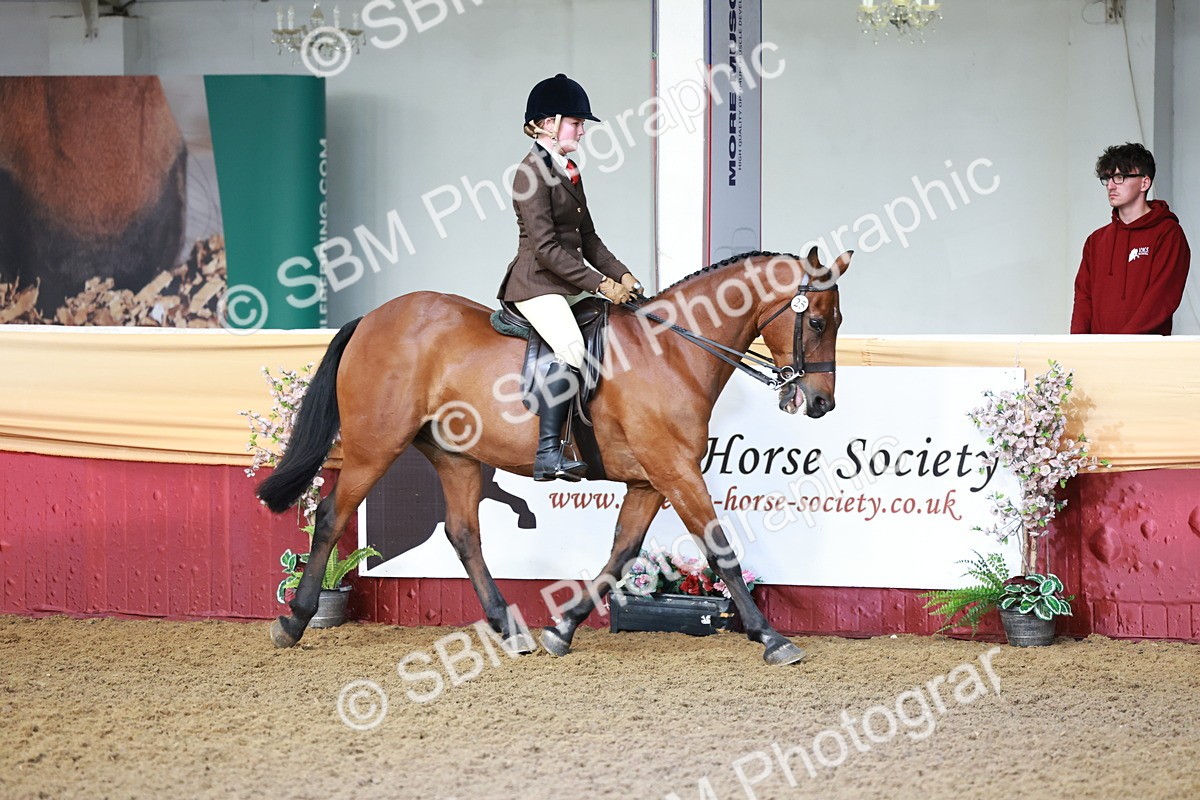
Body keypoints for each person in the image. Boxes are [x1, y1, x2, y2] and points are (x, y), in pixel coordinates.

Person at [497, 74, 642, 481]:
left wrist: (624, 275)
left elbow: (589, 238)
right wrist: (599, 284)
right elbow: (546, 247)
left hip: (568, 283)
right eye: (575, 122)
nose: (581, 129)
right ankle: (548, 452)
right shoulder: (530, 173)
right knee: (572, 349)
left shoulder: (569, 169)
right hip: (537, 283)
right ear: (547, 123)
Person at [1071, 142, 1190, 335]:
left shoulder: (1168, 234)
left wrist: (1123, 346)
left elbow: (1161, 300)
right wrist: (1078, 345)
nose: (1110, 185)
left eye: (1119, 177)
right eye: (1107, 178)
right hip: (1097, 356)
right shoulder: (1096, 240)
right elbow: (1083, 298)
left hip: (1143, 355)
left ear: (1144, 182)